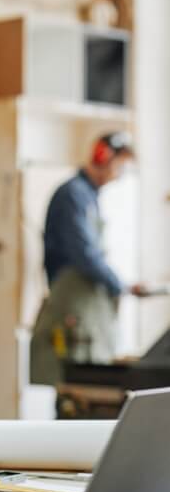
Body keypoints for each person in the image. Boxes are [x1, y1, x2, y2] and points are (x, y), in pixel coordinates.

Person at [30, 131, 146, 386]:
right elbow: (84, 254)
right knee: (73, 393)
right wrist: (120, 285)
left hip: (85, 310)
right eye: (120, 166)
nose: (120, 175)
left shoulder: (88, 197)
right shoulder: (73, 194)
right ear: (103, 157)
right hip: (72, 308)